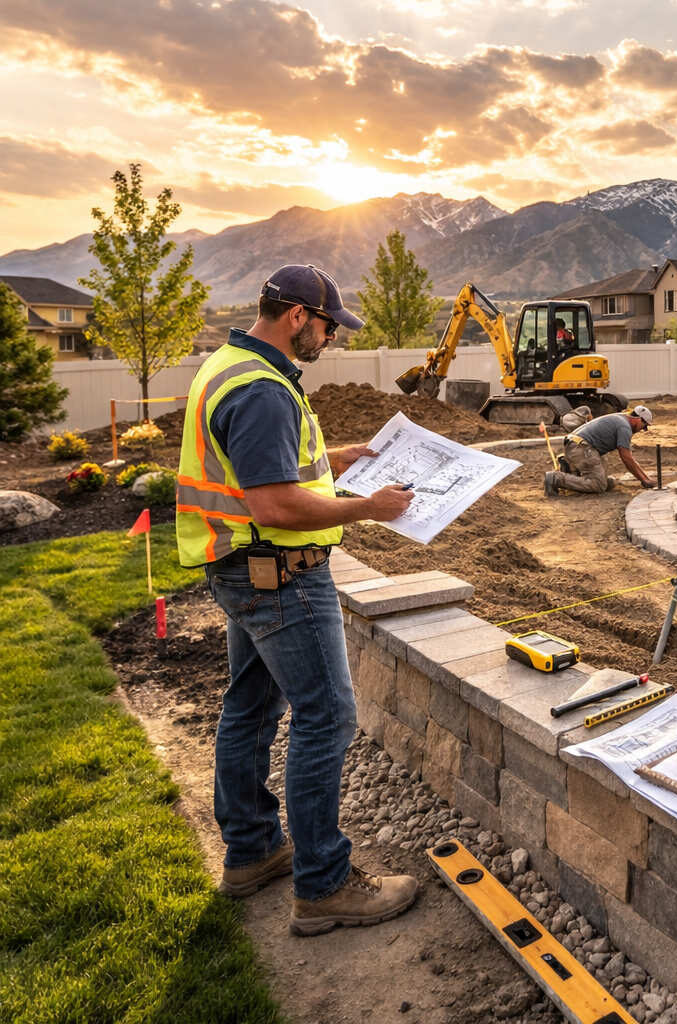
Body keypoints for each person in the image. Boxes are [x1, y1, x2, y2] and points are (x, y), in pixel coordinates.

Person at [175, 264, 419, 936]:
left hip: (240, 568)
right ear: (296, 317)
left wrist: (331, 457)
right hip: (280, 573)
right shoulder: (263, 390)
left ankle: (253, 852)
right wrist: (366, 507)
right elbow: (275, 500)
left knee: (251, 706)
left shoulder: (233, 364)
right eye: (328, 327)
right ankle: (324, 885)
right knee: (327, 717)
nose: (331, 340)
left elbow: (266, 466)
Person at [544, 405, 655, 495]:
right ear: (639, 419)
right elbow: (627, 458)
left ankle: (571, 470)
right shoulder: (624, 427)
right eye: (644, 426)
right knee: (598, 485)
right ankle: (555, 478)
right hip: (582, 448)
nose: (643, 430)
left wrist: (645, 478)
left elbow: (630, 458)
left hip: (579, 446)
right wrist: (643, 480)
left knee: (608, 483)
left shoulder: (621, 419)